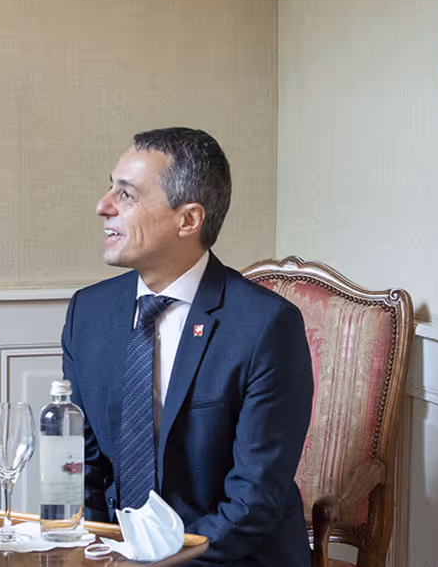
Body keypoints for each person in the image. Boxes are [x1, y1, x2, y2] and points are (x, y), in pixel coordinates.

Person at [60, 128, 314, 566]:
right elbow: (82, 467)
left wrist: (157, 564)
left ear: (188, 220)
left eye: (126, 195)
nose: (103, 207)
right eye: (110, 189)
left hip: (229, 557)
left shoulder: (266, 326)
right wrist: (95, 555)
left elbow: (253, 501)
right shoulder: (89, 312)